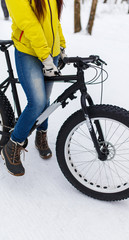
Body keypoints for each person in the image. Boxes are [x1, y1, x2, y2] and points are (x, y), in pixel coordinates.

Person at [1, 0, 66, 176]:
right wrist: (45, 57)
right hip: (29, 52)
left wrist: (61, 45)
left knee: (45, 100)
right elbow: (28, 22)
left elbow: (53, 21)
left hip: (50, 54)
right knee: (37, 103)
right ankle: (12, 146)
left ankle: (40, 134)